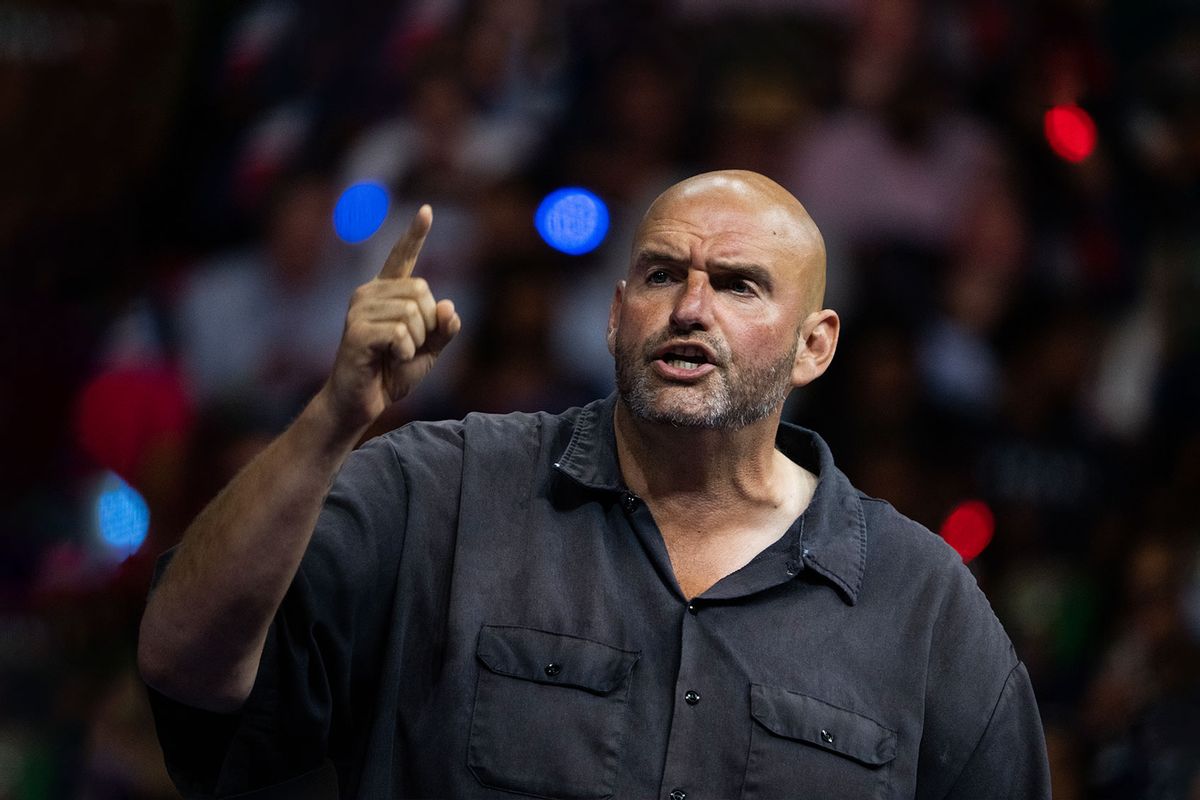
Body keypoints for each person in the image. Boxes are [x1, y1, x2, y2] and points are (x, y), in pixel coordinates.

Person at [138, 170, 1051, 799]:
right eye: (662, 275)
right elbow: (184, 659)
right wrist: (333, 418)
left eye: (738, 285)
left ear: (816, 344)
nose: (690, 307)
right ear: (618, 316)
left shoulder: (923, 603)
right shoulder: (442, 491)